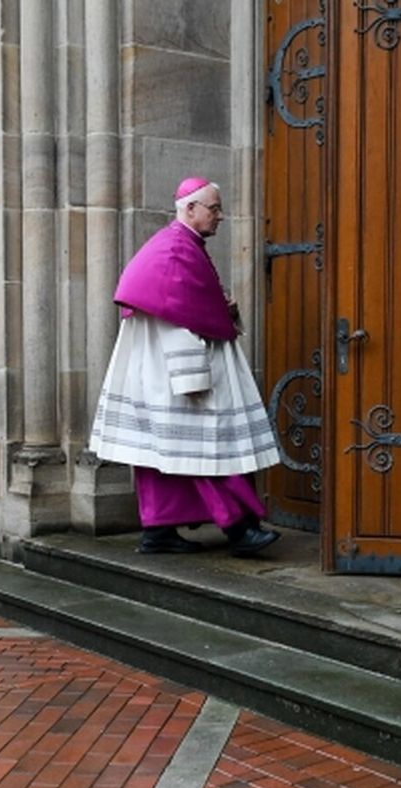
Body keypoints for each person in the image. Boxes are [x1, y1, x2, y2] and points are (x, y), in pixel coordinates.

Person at [88, 177, 281, 556]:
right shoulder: (176, 251)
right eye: (214, 208)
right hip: (177, 373)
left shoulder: (178, 246)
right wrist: (193, 377)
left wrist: (222, 310)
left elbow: (190, 307)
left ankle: (158, 531)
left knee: (163, 454)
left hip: (159, 372)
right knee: (205, 450)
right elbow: (174, 320)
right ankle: (240, 530)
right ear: (190, 208)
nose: (220, 216)